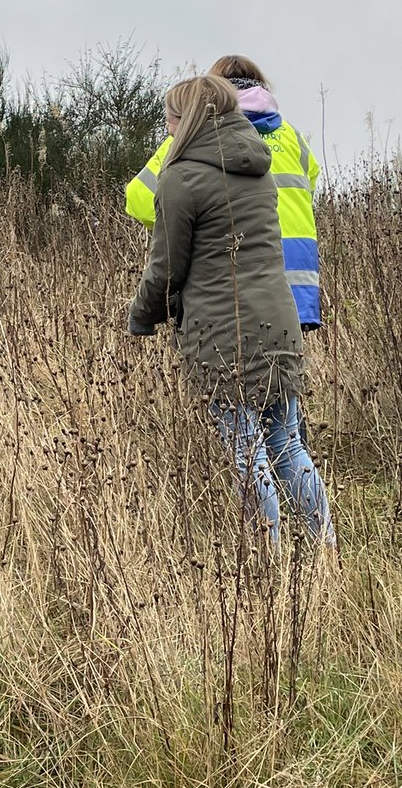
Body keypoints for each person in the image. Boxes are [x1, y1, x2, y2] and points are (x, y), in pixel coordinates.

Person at [128, 75, 335, 547]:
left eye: (169, 119)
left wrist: (141, 317)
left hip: (224, 331)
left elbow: (166, 269)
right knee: (287, 443)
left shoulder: (180, 177)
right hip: (279, 319)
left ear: (186, 120)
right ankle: (324, 547)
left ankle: (266, 562)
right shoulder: (258, 165)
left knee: (248, 450)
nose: (167, 128)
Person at [125, 55, 321, 330]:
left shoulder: (195, 134)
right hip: (297, 272)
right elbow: (309, 185)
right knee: (285, 361)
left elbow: (138, 198)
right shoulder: (291, 135)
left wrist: (191, 224)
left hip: (230, 274)